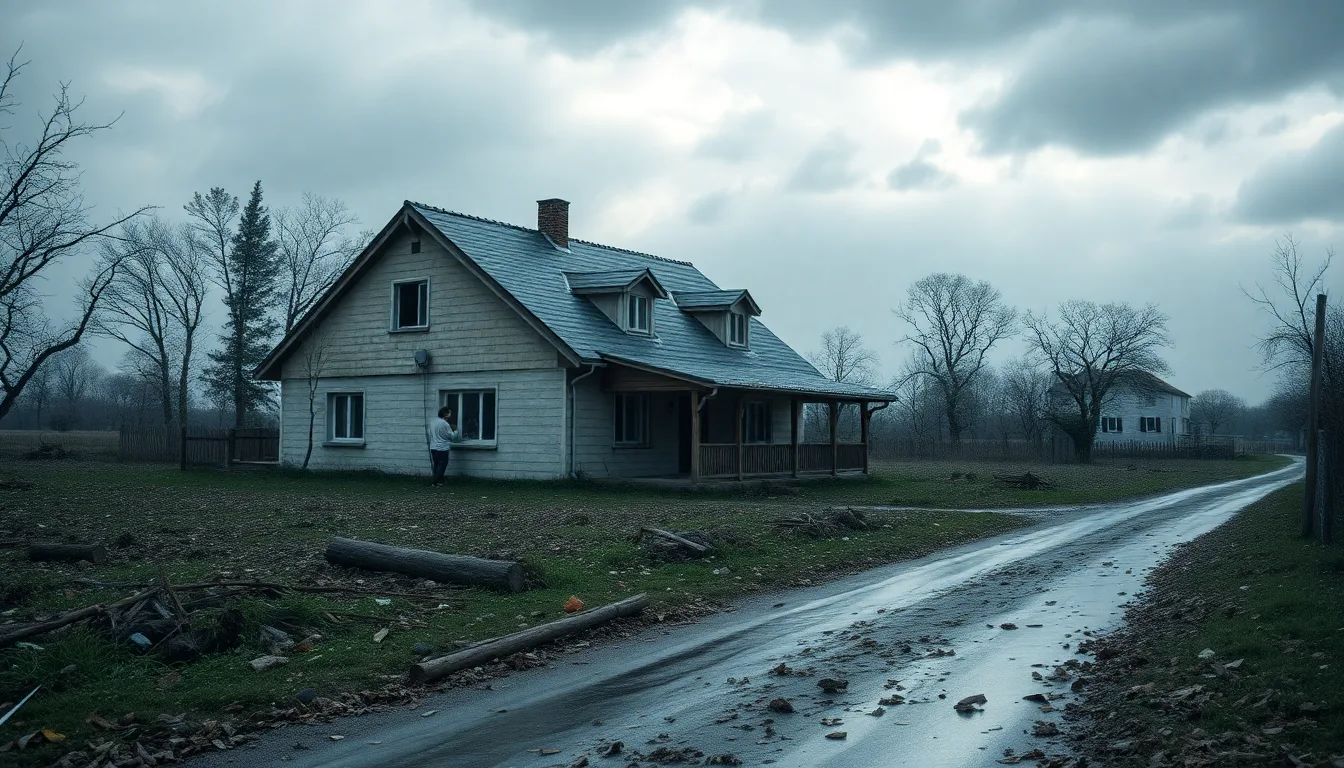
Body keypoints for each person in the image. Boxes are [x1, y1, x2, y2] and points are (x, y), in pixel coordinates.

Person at [429, 406, 459, 487]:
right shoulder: (445, 424)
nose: (450, 414)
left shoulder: (432, 422)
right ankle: (435, 482)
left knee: (436, 464)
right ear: (446, 414)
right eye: (449, 413)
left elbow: (431, 434)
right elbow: (451, 436)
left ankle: (439, 481)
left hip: (433, 446)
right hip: (442, 447)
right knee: (442, 465)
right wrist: (456, 431)